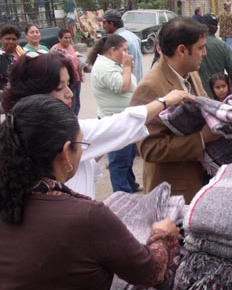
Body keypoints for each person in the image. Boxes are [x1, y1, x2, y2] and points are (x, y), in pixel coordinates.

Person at [0, 94, 180, 290]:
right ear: (65, 153)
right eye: (80, 144)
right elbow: (149, 272)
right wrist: (162, 235)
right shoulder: (86, 217)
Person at [2, 53, 189, 199]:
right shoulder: (62, 130)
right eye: (60, 87)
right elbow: (120, 125)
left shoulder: (16, 127)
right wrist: (164, 101)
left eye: (69, 85)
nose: (69, 94)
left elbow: (102, 142)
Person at [130, 16, 219, 200]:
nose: (205, 54)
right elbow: (148, 148)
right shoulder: (150, 87)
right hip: (173, 191)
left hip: (200, 182)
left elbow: (203, 109)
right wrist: (200, 140)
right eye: (200, 48)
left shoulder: (191, 73)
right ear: (182, 50)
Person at [88, 35, 140, 193]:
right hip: (115, 119)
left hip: (125, 117)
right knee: (119, 159)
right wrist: (127, 67)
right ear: (113, 50)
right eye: (124, 50)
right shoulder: (104, 66)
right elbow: (122, 87)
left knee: (128, 156)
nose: (127, 53)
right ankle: (122, 193)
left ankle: (130, 184)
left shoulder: (113, 64)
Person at [197, 13, 232, 99]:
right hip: (218, 98)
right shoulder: (222, 45)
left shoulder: (193, 45)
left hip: (199, 96)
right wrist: (231, 86)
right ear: (216, 29)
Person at [101, 9, 143, 81]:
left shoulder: (118, 40)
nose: (103, 26)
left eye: (104, 23)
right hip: (136, 80)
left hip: (127, 81)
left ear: (111, 24)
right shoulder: (132, 36)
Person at [51, 29, 83, 115]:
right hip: (67, 82)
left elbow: (76, 61)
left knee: (77, 103)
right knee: (69, 104)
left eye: (69, 38)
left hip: (76, 79)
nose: (68, 40)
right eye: (65, 38)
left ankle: (75, 120)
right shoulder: (55, 50)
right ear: (59, 38)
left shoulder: (71, 47)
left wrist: (81, 73)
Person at [0, 25, 24, 109]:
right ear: (1, 39)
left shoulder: (22, 54)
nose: (11, 41)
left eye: (14, 39)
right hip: (9, 99)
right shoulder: (1, 57)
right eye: (7, 39)